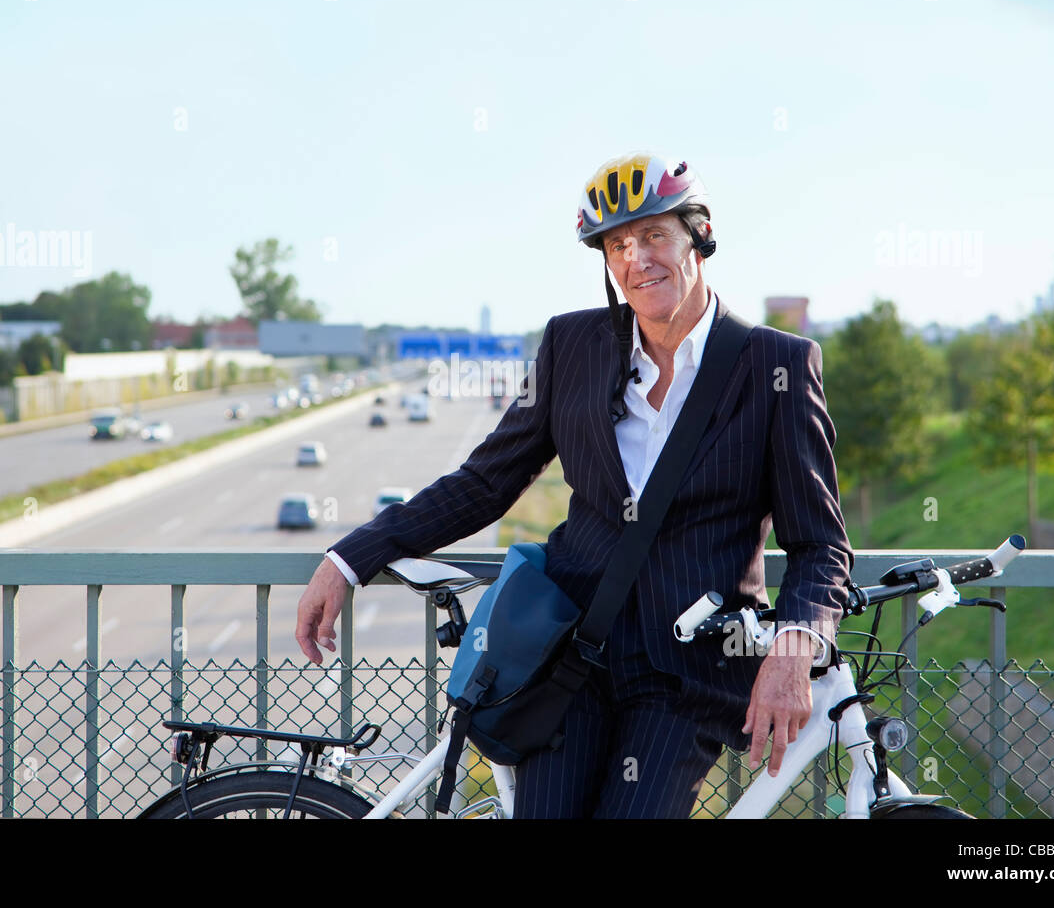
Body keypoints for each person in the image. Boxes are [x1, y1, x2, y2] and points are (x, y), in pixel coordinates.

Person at [296, 151, 853, 818]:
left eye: (653, 234)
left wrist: (794, 650)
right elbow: (487, 481)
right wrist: (351, 556)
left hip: (687, 675)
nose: (636, 258)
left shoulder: (777, 364)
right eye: (618, 244)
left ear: (698, 236)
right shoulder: (572, 345)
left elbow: (820, 543)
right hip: (570, 658)